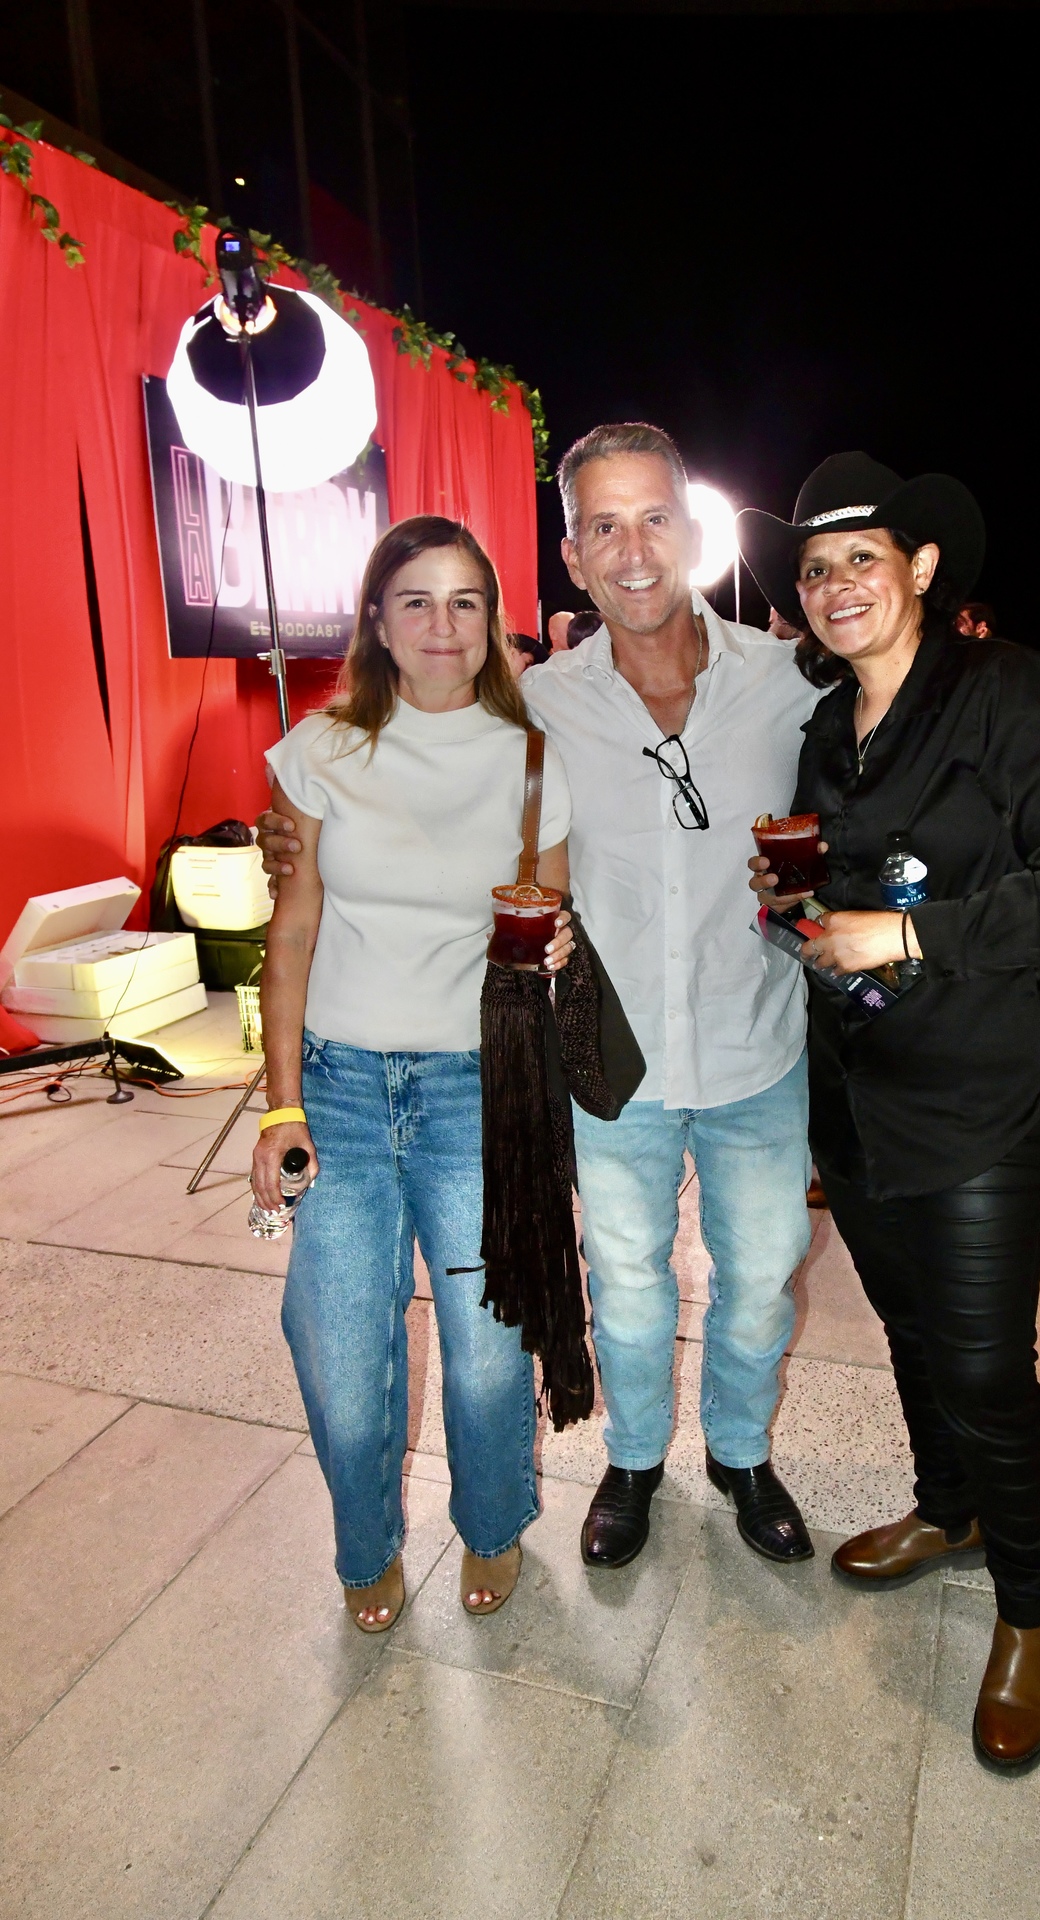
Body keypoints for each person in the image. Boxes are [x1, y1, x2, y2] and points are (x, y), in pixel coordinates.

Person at [260, 423, 821, 1572]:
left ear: (693, 529)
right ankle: (632, 1460)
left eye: (653, 518)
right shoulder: (544, 705)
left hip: (754, 1040)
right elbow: (414, 776)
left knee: (763, 1275)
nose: (632, 549)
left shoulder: (786, 683)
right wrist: (291, 839)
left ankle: (738, 1452)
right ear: (570, 555)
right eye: (602, 525)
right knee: (623, 1283)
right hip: (609, 1060)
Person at [739, 452, 1040, 1773]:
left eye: (862, 557)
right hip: (857, 1093)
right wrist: (795, 909)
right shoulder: (824, 728)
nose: (835, 584)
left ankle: (1028, 1611)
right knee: (910, 1330)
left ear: (917, 568)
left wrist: (905, 936)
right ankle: (947, 1507)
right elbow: (835, 899)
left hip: (983, 1090)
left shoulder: (1009, 696)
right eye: (814, 568)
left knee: (981, 1363)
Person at [251, 514, 574, 1632]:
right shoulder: (318, 751)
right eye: (417, 601)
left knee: (487, 1351)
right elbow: (291, 932)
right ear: (378, 624)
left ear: (493, 622)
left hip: (474, 1089)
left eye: (466, 601)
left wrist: (558, 941)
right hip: (338, 1084)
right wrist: (281, 1105)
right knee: (340, 1348)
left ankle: (491, 1521)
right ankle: (365, 1547)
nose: (444, 624)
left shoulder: (533, 758)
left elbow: (550, 915)